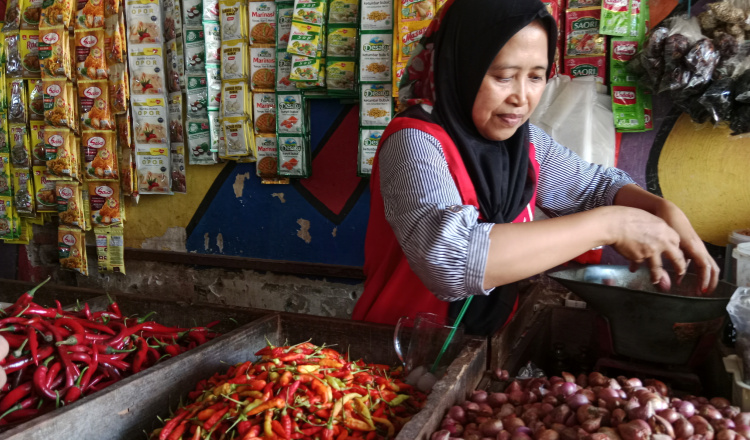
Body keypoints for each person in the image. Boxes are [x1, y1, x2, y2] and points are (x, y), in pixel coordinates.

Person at [351, 0, 720, 336]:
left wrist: (659, 208)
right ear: (461, 67)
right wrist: (612, 224)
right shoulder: (414, 141)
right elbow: (451, 261)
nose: (521, 97)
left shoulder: (524, 142)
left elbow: (595, 187)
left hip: (477, 347)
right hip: (397, 350)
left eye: (536, 76)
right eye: (503, 76)